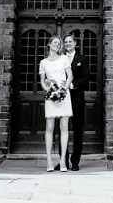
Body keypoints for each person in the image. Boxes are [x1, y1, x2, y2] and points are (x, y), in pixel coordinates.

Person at [39, 35, 73, 172]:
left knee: (64, 128)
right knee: (49, 128)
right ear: (49, 44)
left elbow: (70, 75)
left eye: (59, 43)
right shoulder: (43, 62)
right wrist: (48, 89)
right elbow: (42, 81)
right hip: (51, 95)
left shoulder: (64, 59)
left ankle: (63, 160)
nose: (57, 45)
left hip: (64, 94)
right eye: (55, 43)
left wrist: (65, 88)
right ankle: (49, 161)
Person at [63, 33, 87, 171]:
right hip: (62, 98)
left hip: (77, 97)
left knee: (77, 129)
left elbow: (85, 78)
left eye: (70, 41)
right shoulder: (60, 59)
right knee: (62, 129)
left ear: (75, 43)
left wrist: (71, 85)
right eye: (65, 42)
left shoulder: (82, 59)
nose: (67, 44)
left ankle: (75, 161)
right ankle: (63, 161)